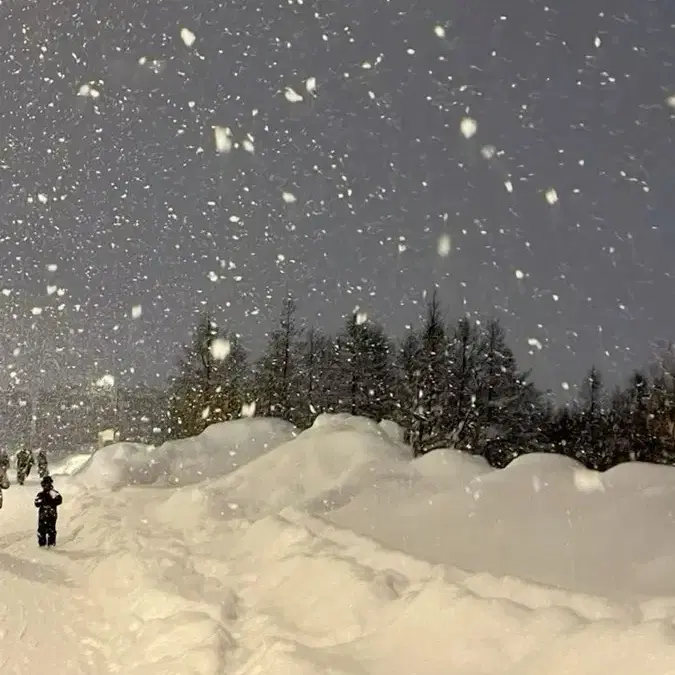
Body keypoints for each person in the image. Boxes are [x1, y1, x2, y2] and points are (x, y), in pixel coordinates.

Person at [34, 475, 62, 547]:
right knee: (42, 531)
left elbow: (59, 500)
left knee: (51, 530)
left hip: (51, 515)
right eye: (45, 484)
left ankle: (51, 544)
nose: (46, 486)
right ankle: (42, 545)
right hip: (43, 515)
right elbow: (36, 503)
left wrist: (50, 501)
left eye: (48, 484)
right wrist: (43, 500)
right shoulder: (41, 494)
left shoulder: (53, 493)